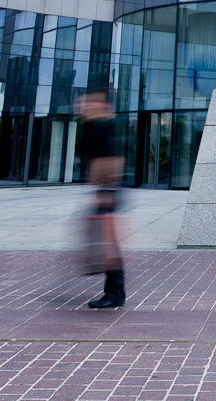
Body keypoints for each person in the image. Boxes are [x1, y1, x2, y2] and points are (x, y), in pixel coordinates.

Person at [79, 90, 126, 308]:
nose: (86, 105)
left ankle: (115, 293)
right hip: (103, 190)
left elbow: (113, 158)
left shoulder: (103, 125)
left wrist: (107, 192)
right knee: (105, 241)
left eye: (92, 102)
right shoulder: (92, 125)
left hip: (110, 190)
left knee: (108, 243)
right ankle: (115, 292)